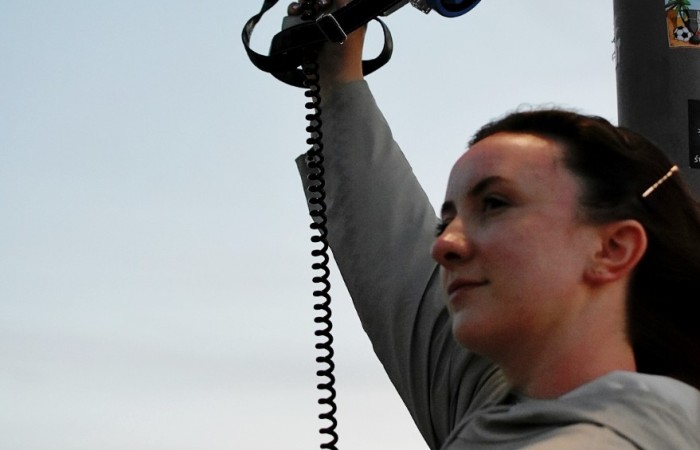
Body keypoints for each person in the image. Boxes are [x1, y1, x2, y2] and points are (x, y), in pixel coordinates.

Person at [288, 1, 700, 448]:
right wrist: (337, 73)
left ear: (613, 248)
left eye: (496, 204)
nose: (444, 244)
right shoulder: (495, 404)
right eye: (447, 221)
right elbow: (394, 262)